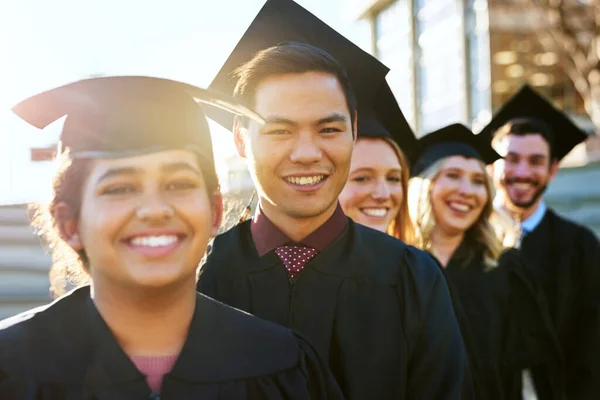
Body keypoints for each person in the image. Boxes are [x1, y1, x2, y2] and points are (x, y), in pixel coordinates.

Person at [0, 76, 344, 399]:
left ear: (215, 211)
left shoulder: (284, 365)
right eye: (120, 188)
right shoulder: (11, 367)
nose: (155, 209)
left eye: (178, 184)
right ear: (68, 222)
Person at [197, 1, 470, 399]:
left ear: (353, 130)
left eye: (328, 129)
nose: (307, 153)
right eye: (279, 131)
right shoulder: (201, 277)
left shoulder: (413, 278)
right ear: (240, 138)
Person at [407, 123, 565, 400]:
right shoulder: (398, 269)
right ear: (424, 184)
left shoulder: (504, 271)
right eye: (453, 175)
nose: (467, 190)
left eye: (478, 181)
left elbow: (530, 376)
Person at [479, 85, 600, 399]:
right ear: (492, 165)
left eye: (535, 161)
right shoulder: (467, 242)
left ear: (553, 170)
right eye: (512, 158)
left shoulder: (581, 246)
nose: (522, 172)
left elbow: (591, 347)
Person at [339, 82, 416, 243]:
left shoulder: (417, 267)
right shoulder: (289, 266)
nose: (383, 194)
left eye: (393, 178)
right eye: (362, 178)